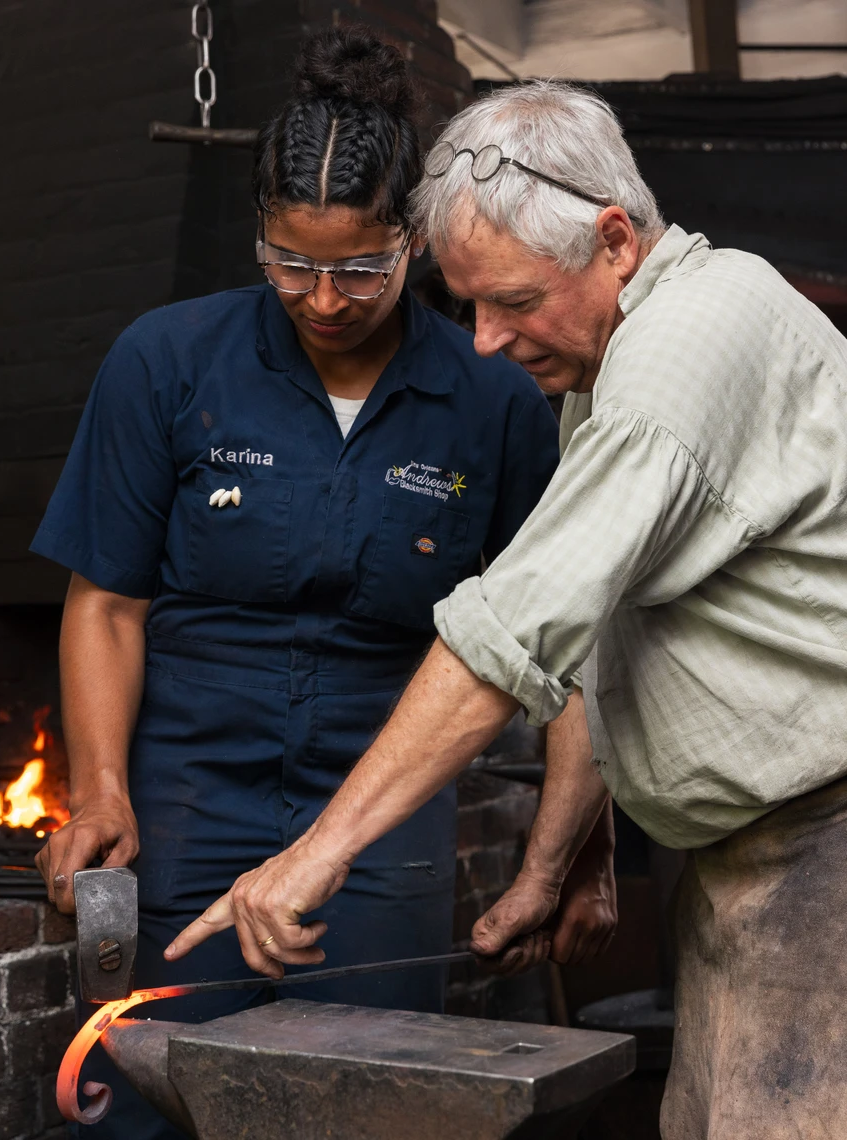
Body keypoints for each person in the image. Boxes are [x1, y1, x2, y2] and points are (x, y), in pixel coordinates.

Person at [168, 79, 847, 1140]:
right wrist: (551, 862)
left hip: (825, 850)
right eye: (469, 306)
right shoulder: (612, 359)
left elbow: (510, 633)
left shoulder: (686, 346)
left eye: (514, 302)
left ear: (615, 239)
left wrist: (312, 855)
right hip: (748, 865)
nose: (485, 342)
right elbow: (597, 635)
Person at [32, 31, 620, 1140]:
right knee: (144, 1095)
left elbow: (563, 642)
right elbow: (105, 602)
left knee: (369, 1101)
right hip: (187, 798)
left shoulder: (490, 401)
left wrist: (574, 850)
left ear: (417, 241)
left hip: (382, 815)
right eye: (291, 262)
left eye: (359, 266)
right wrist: (102, 789)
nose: (325, 297)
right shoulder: (164, 363)